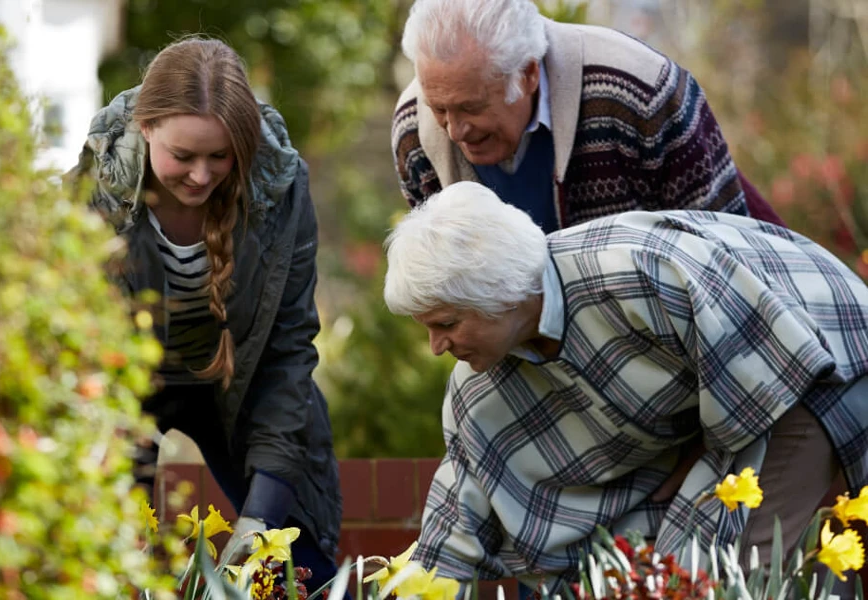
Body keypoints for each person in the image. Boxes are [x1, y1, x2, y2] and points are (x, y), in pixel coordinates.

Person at [383, 181, 868, 593]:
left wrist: (701, 458)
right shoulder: (478, 387)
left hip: (810, 352)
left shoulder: (635, 271)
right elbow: (461, 502)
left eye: (446, 323)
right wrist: (422, 589)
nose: (435, 347)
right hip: (730, 405)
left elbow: (767, 358)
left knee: (733, 574)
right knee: (666, 578)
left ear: (500, 292)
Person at [70, 38, 343, 591]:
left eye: (220, 156)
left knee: (297, 566)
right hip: (128, 388)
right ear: (146, 128)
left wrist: (261, 518)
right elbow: (79, 350)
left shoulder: (280, 188)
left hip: (239, 379)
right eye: (183, 156)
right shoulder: (95, 191)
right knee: (111, 564)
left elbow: (288, 348)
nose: (200, 176)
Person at [391, 0, 785, 231]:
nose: (456, 129)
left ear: (527, 73)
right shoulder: (414, 131)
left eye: (472, 108)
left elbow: (731, 248)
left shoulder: (639, 92)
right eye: (439, 108)